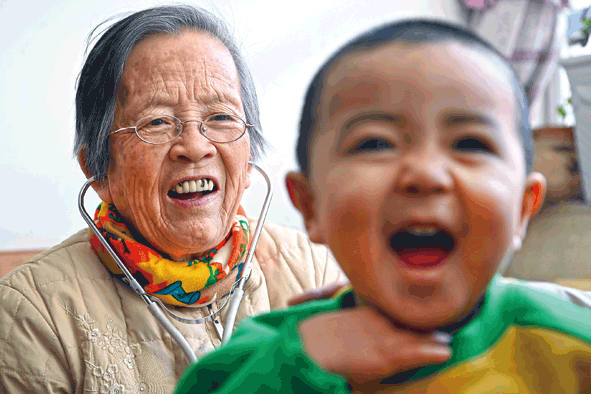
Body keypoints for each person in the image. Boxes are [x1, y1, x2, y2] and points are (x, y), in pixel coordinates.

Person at [174, 19, 591, 393]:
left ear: (523, 207)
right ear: (311, 206)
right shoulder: (254, 360)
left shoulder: (572, 345)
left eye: (469, 143)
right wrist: (301, 364)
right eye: (375, 143)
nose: (425, 174)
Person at [0, 5, 347, 393]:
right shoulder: (30, 314)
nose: (195, 147)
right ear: (97, 171)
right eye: (157, 122)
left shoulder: (314, 270)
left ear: (248, 158)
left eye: (220, 117)